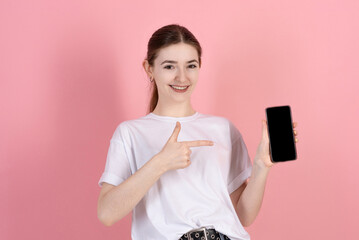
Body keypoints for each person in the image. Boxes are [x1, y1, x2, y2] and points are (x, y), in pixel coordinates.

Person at [97, 24, 298, 240]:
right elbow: (107, 213)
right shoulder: (130, 133)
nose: (182, 78)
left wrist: (261, 165)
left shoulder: (223, 129)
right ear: (149, 69)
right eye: (169, 67)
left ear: (200, 66)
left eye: (190, 66)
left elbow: (243, 216)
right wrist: (160, 163)